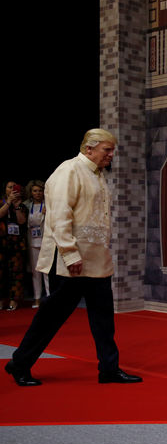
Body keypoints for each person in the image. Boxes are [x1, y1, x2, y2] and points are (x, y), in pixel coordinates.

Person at [5, 129, 142, 386]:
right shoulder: (68, 170)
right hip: (72, 259)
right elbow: (58, 216)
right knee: (52, 317)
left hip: (97, 259)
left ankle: (109, 369)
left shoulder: (97, 175)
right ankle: (20, 362)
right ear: (88, 149)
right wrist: (70, 253)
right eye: (107, 150)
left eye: (112, 150)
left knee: (103, 318)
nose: (111, 155)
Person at [1, 180, 28, 311]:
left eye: (14, 187)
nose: (12, 189)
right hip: (2, 243)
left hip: (16, 244)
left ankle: (14, 300)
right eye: (9, 187)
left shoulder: (22, 205)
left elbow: (22, 221)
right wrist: (9, 202)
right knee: (1, 273)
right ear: (5, 190)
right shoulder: (2, 203)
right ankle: (1, 299)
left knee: (16, 273)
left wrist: (16, 206)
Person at [24, 180, 50, 307]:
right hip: (32, 240)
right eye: (35, 191)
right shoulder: (27, 206)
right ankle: (37, 298)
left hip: (46, 240)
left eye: (40, 190)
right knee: (35, 271)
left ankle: (50, 297)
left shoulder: (48, 204)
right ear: (31, 192)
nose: (38, 193)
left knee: (47, 270)